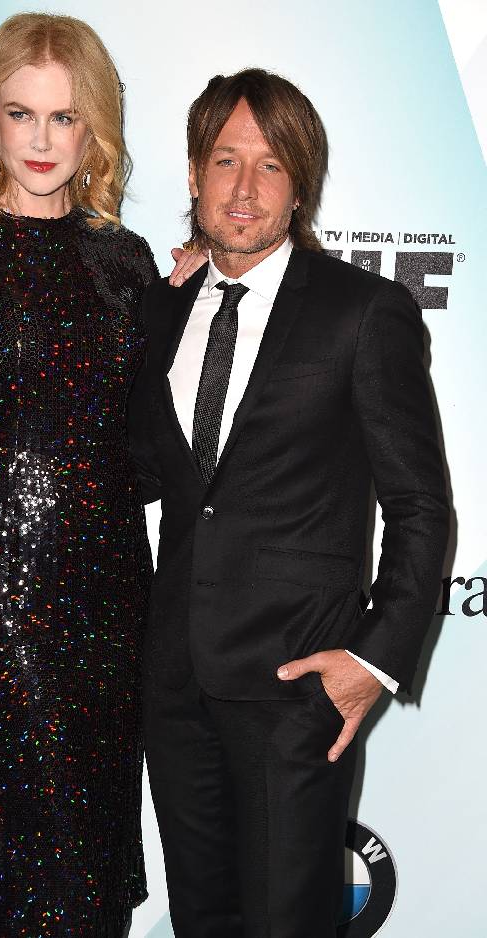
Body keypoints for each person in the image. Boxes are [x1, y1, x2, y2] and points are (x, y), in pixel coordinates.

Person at [0, 13, 201, 937]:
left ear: (93, 129)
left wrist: (180, 316)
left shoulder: (126, 263)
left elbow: (145, 457)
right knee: (21, 858)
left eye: (63, 119)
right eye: (20, 114)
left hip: (112, 595)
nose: (40, 139)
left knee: (93, 854)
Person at [128, 68, 450, 938]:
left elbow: (421, 506)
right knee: (203, 920)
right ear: (193, 173)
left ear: (299, 183)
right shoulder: (159, 313)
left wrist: (373, 664)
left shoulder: (364, 311)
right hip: (174, 683)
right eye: (224, 160)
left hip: (296, 688)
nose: (242, 188)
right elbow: (158, 480)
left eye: (269, 165)